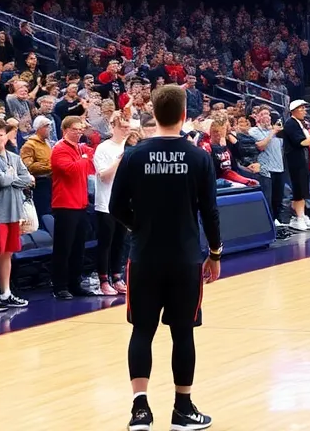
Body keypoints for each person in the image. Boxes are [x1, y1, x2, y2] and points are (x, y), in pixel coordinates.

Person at [109, 84, 221, 431]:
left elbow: (115, 207)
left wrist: (138, 227)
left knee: (142, 331)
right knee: (182, 333)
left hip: (143, 257)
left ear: (153, 114)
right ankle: (182, 410)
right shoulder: (199, 157)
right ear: (184, 115)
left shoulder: (134, 155)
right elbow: (210, 212)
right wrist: (215, 253)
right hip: (185, 258)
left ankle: (140, 411)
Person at [0, 118, 33, 310]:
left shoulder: (14, 157)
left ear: (6, 136)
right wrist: (10, 176)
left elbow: (27, 179)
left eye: (0, 135)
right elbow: (0, 181)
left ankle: (5, 292)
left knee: (8, 254)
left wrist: (10, 176)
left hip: (14, 211)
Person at [49, 115, 95, 300]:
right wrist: (84, 158)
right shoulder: (59, 149)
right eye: (75, 129)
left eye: (80, 129)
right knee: (63, 247)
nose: (78, 132)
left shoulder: (80, 148)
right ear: (65, 130)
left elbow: (91, 165)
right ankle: (59, 286)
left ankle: (75, 283)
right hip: (65, 204)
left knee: (78, 247)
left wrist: (83, 158)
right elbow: (72, 170)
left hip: (81, 203)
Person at [93, 110, 131, 295]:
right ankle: (103, 279)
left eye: (127, 127)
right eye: (122, 127)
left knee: (120, 242)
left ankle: (117, 276)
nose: (126, 130)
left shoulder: (129, 146)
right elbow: (103, 176)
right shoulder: (104, 148)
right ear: (113, 127)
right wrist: (119, 161)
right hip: (105, 203)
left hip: (123, 203)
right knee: (105, 243)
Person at [281, 99, 310, 232]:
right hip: (295, 162)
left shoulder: (302, 123)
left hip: (304, 161)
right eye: (302, 108)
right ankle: (298, 218)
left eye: (305, 108)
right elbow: (301, 142)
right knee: (298, 191)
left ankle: (302, 216)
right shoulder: (291, 124)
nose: (305, 111)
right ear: (294, 110)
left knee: (303, 190)